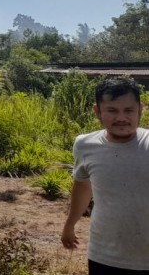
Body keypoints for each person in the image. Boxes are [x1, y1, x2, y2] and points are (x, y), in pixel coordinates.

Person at [62, 76, 147, 273]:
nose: (121, 118)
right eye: (112, 110)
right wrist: (69, 225)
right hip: (104, 255)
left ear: (140, 110)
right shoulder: (84, 145)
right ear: (97, 111)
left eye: (129, 110)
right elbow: (82, 187)